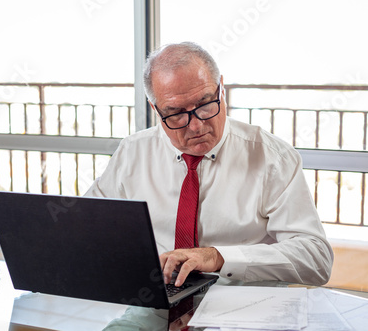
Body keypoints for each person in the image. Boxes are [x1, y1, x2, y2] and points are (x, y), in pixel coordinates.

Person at [85, 42, 333, 287]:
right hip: (157, 302)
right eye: (176, 114)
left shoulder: (272, 158)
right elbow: (88, 223)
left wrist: (219, 257)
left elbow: (316, 259)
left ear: (221, 89)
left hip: (244, 306)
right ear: (155, 109)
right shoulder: (133, 152)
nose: (196, 125)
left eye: (204, 105)